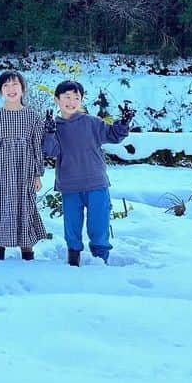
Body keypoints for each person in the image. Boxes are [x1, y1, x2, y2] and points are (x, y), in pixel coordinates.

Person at [42, 80, 135, 267]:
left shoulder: (92, 122)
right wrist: (49, 132)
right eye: (67, 97)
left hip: (96, 182)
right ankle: (73, 257)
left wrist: (123, 123)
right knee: (72, 225)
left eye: (76, 98)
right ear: (57, 100)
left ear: (82, 101)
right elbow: (50, 151)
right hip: (70, 185)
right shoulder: (55, 127)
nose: (71, 102)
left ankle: (101, 259)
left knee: (99, 224)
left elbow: (114, 135)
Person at [0, 71, 48, 261]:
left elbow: (37, 146)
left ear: (23, 89)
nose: (11, 89)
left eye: (15, 84)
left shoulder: (32, 116)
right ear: (0, 90)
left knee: (25, 205)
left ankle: (27, 249)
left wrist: (37, 174)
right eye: (6, 86)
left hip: (24, 171)